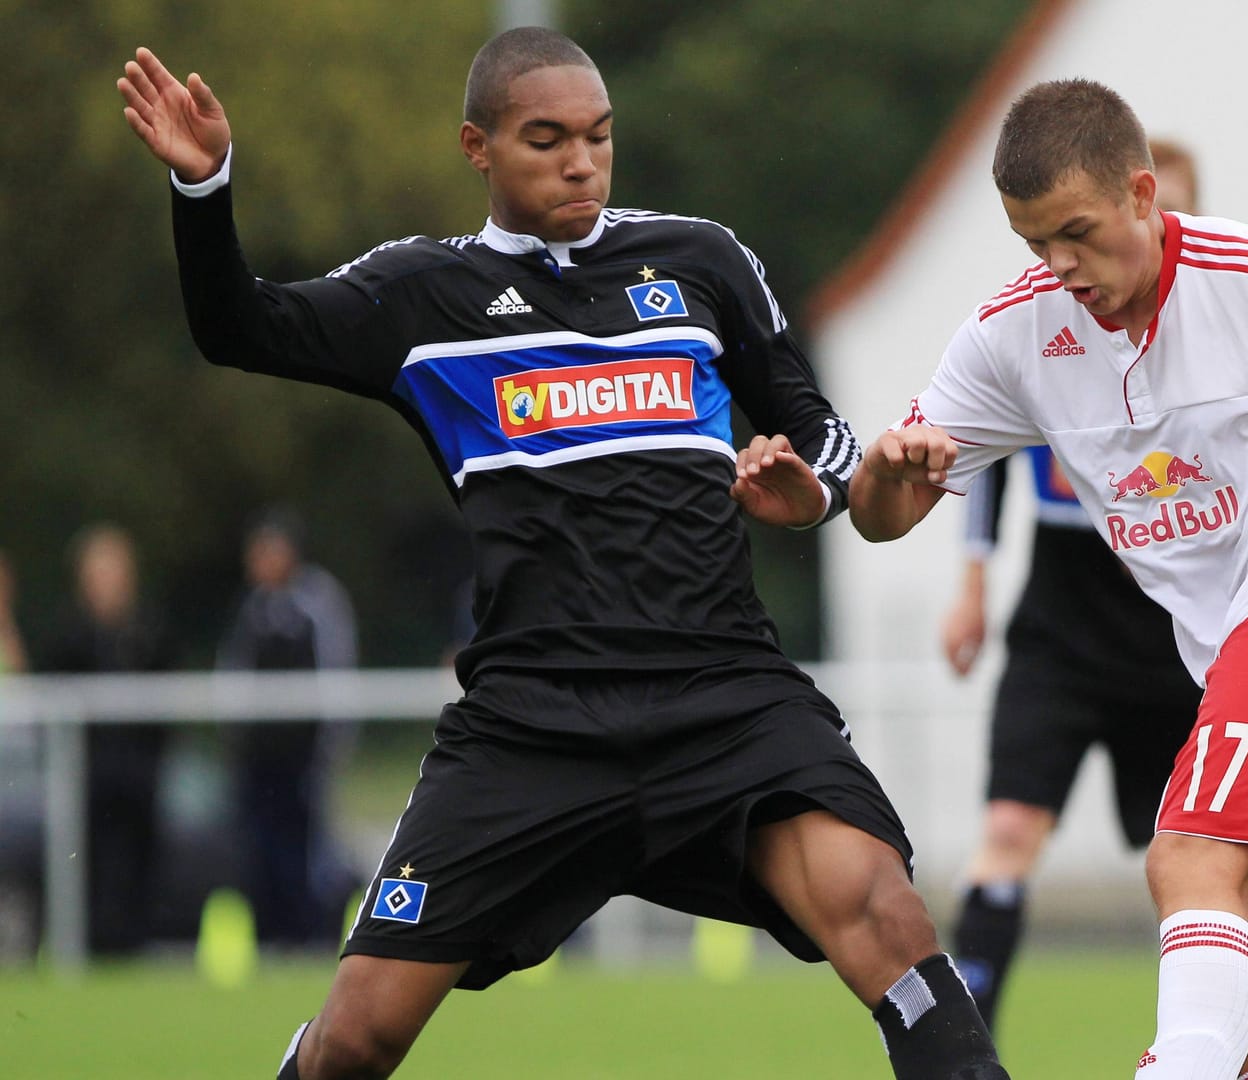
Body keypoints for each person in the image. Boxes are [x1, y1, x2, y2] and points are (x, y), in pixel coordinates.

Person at [118, 31, 1006, 1080]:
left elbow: (834, 455)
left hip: (723, 697)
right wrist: (205, 187)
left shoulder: (704, 264)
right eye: (545, 141)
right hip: (533, 723)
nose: (581, 162)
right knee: (356, 1040)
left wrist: (824, 493)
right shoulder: (422, 296)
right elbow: (242, 327)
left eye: (598, 137)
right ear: (478, 147)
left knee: (888, 919)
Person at [849, 79, 1248, 1079]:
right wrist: (884, 475)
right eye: (1033, 244)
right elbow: (885, 517)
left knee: (1186, 857)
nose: (1060, 267)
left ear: (1144, 195)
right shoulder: (1015, 335)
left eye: (1077, 232)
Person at [939, 139, 1204, 1030]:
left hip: (1175, 634)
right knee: (1008, 834)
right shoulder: (1044, 328)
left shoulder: (1220, 323)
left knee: (1190, 860)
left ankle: (1217, 1036)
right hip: (1057, 627)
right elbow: (985, 452)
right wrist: (971, 583)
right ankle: (966, 1043)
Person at [217, 509, 359, 950]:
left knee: (305, 859)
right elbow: (233, 678)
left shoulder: (317, 601)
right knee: (259, 859)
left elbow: (337, 673)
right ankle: (269, 944)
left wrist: (329, 751)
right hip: (259, 763)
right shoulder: (252, 608)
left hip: (302, 762)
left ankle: (309, 943)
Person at [36, 524, 180, 956]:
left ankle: (136, 946)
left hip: (138, 779)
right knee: (89, 868)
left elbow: (169, 704)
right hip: (87, 781)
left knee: (139, 866)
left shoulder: (150, 631)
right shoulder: (68, 634)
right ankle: (87, 949)